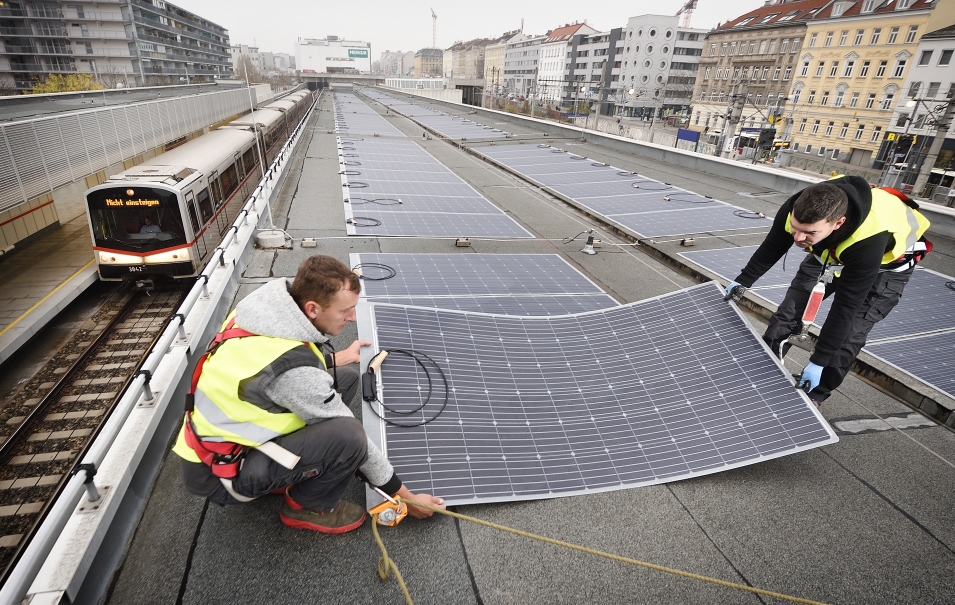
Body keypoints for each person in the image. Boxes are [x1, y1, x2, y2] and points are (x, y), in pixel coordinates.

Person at [173, 255, 445, 533]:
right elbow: (291, 376)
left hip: (223, 443)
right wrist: (407, 498)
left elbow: (267, 374)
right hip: (223, 472)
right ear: (312, 308)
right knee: (350, 437)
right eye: (345, 311)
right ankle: (308, 507)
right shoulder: (294, 372)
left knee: (346, 380)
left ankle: (293, 470)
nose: (352, 318)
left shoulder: (264, 312)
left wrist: (337, 359)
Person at [725, 176, 930, 404]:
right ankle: (762, 373)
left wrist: (819, 361)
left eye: (809, 233)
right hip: (831, 252)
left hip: (884, 268)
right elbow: (773, 245)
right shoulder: (799, 207)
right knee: (788, 313)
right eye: (795, 229)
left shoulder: (868, 240)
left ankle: (815, 393)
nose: (798, 239)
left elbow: (845, 308)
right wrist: (743, 280)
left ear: (838, 223)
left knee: (849, 336)